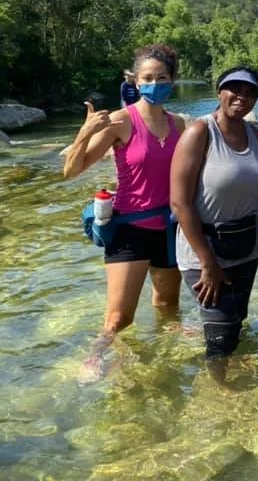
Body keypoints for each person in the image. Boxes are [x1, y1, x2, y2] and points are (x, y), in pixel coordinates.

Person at [63, 44, 185, 382]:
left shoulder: (180, 125)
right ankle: (95, 356)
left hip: (169, 230)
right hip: (130, 228)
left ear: (172, 80)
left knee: (167, 309)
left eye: (161, 78)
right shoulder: (119, 121)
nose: (154, 84)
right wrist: (85, 131)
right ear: (135, 80)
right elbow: (71, 171)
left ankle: (159, 366)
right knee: (118, 319)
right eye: (147, 78)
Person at [170, 66, 258, 384]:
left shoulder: (255, 135)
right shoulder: (199, 132)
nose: (241, 96)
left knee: (236, 321)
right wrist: (208, 263)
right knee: (219, 335)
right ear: (219, 92)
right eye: (234, 89)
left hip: (246, 246)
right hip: (205, 252)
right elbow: (179, 203)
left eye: (249, 91)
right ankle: (221, 395)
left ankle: (230, 380)